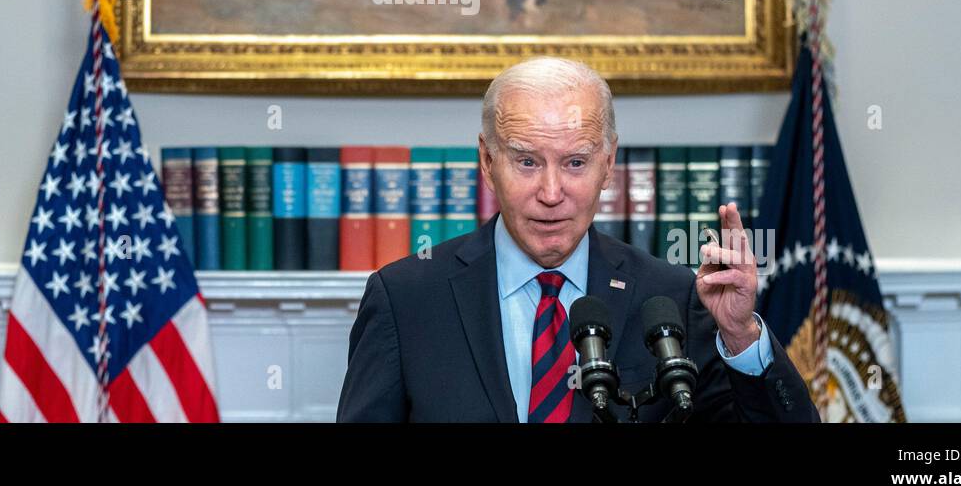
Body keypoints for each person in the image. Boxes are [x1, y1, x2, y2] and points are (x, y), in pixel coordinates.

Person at [336, 56, 820, 422]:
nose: (551, 193)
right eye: (526, 161)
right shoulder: (406, 298)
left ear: (608, 164)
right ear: (487, 162)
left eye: (575, 163)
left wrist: (741, 336)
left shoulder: (670, 299)